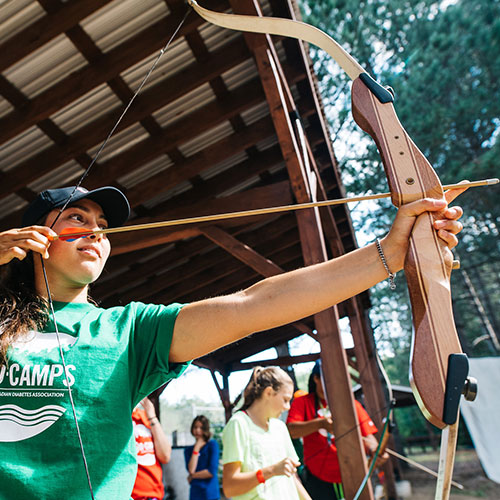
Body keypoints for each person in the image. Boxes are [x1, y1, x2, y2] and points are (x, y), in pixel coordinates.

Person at [0, 184, 465, 499]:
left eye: (103, 224)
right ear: (33, 237)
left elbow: (253, 305)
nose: (97, 231)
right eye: (78, 217)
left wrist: (390, 252)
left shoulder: (131, 331)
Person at [286, 360, 388, 500]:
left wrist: (375, 451)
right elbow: (291, 430)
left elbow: (369, 438)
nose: (333, 382)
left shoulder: (352, 404)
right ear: (316, 378)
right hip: (317, 477)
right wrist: (321, 424)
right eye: (327, 378)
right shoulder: (303, 402)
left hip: (354, 473)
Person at [221, 366, 312, 500]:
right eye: (285, 400)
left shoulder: (280, 427)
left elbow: (292, 477)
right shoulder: (238, 424)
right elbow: (230, 488)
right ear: (268, 392)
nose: (288, 407)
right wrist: (271, 471)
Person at [132, 396, 171, 500]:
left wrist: (152, 416)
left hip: (154, 496)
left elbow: (165, 456)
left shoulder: (146, 416)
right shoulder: (116, 419)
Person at [184, 415, 220, 500]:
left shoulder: (212, 445)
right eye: (195, 427)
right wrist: (196, 448)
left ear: (205, 429)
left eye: (201, 428)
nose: (197, 430)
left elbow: (211, 472)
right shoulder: (188, 451)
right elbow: (191, 470)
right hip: (195, 494)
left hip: (211, 494)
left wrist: (192, 476)